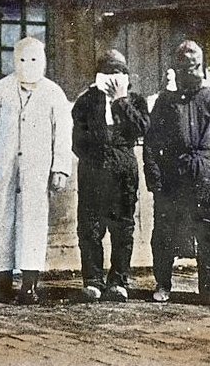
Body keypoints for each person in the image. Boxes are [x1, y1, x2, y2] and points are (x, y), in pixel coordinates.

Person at [0, 37, 72, 304]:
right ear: (15, 60)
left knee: (33, 224)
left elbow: (62, 135)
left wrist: (60, 168)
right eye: (23, 60)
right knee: (1, 222)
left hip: (36, 172)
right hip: (4, 170)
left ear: (43, 61)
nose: (28, 65)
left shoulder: (54, 94)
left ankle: (29, 286)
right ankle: (3, 283)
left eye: (34, 60)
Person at [143, 40, 210, 304]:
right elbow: (151, 142)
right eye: (184, 69)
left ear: (201, 67)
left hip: (204, 172)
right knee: (165, 231)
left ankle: (207, 285)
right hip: (173, 172)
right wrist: (154, 177)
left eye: (194, 68)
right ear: (176, 70)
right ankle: (163, 283)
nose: (190, 74)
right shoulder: (165, 101)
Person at [72, 50, 149, 302]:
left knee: (122, 228)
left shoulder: (136, 101)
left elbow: (141, 129)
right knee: (90, 227)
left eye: (118, 72)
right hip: (93, 171)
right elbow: (77, 142)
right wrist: (97, 153)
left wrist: (120, 101)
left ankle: (118, 281)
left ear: (126, 75)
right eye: (108, 72)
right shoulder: (85, 101)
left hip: (123, 173)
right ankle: (93, 280)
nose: (113, 77)